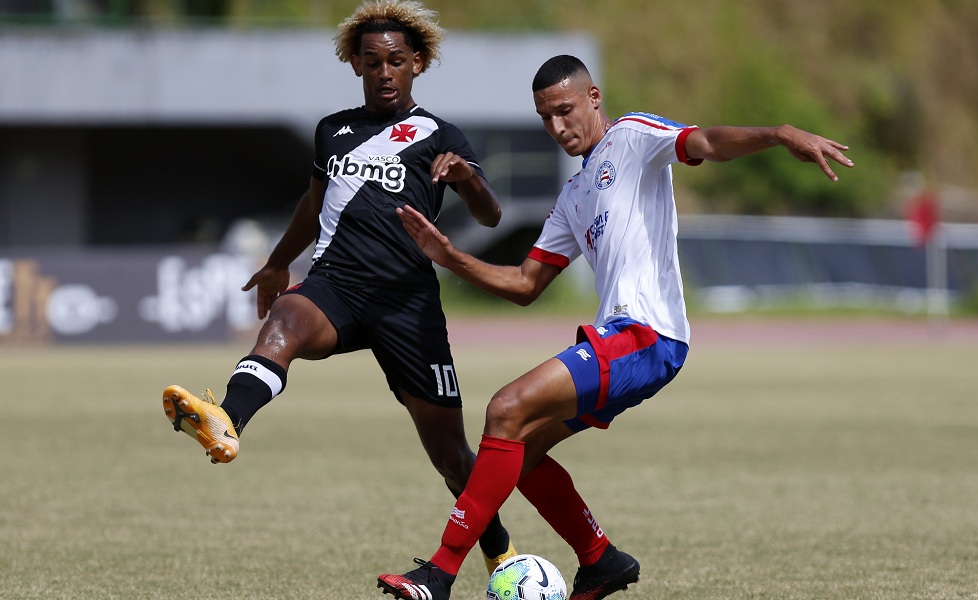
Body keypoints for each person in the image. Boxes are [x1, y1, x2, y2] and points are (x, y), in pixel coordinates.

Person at [376, 54, 854, 600]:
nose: (558, 128)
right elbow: (525, 284)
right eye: (546, 119)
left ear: (594, 98)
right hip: (620, 342)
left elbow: (707, 143)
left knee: (505, 409)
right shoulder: (573, 197)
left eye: (565, 111)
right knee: (520, 453)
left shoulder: (632, 137)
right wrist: (450, 256)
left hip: (648, 337)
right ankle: (601, 561)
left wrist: (779, 132)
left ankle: (438, 575)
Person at [160, 0, 517, 575]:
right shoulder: (334, 131)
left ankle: (501, 552)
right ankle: (226, 422)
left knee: (450, 453)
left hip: (409, 303)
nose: (383, 72)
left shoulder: (439, 135)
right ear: (354, 64)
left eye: (395, 61)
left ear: (418, 64)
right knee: (281, 324)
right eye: (371, 61)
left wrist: (468, 179)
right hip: (339, 285)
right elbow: (313, 203)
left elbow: (492, 216)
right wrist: (279, 265)